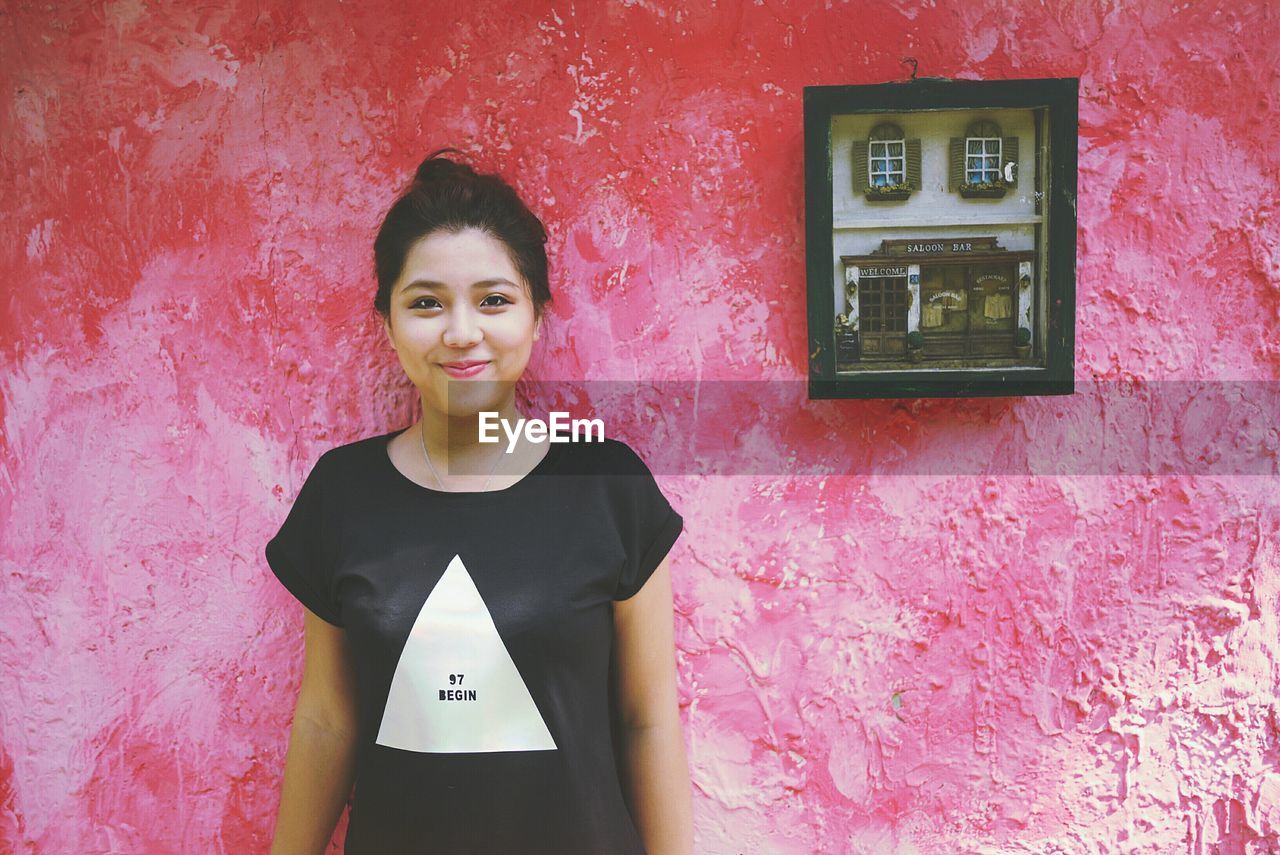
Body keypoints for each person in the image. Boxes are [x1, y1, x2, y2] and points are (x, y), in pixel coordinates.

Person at [264, 147, 693, 854]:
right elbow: (326, 719)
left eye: (494, 299)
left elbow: (647, 717)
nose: (461, 332)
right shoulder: (343, 494)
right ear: (388, 324)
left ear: (536, 314)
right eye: (426, 302)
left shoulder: (607, 487)